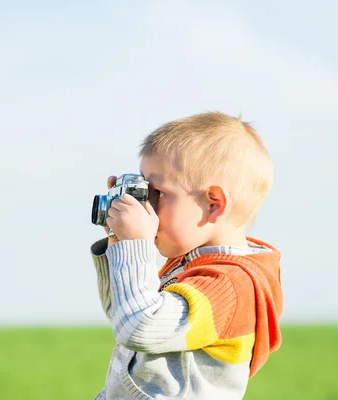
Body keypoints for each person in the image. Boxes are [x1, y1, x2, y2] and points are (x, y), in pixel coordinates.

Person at [91, 111, 284, 399]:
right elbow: (123, 314)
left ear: (213, 204)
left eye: (157, 193)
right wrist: (118, 240)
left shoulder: (229, 286)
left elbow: (140, 326)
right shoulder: (194, 265)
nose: (147, 208)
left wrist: (133, 244)